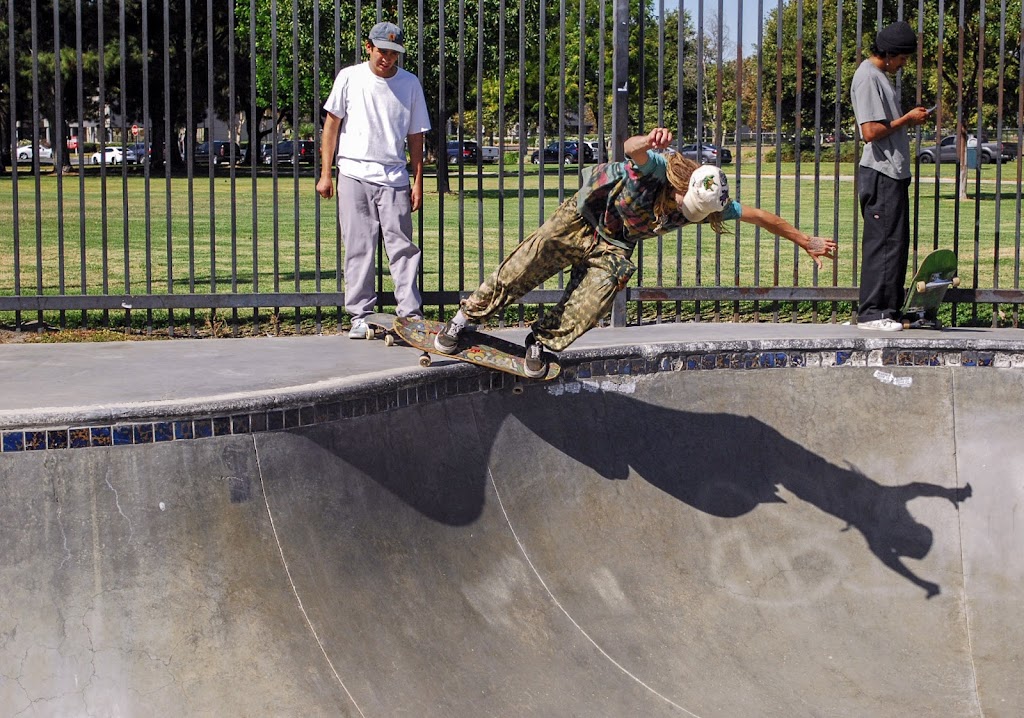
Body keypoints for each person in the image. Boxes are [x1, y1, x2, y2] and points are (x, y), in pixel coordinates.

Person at [433, 127, 837, 377]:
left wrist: (805, 241)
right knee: (526, 264)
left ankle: (541, 341)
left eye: (696, 214)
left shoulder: (716, 203)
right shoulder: (660, 168)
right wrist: (649, 139)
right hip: (581, 218)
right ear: (681, 187)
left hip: (613, 245)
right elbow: (631, 148)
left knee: (606, 286)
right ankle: (465, 317)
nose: (686, 214)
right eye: (685, 205)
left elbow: (760, 215)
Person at [317, 21, 431, 338]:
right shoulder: (350, 78)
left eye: (394, 53)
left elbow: (416, 137)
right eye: (382, 51)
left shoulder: (410, 84)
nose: (387, 58)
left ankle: (410, 314)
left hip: (394, 176)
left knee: (403, 249)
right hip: (353, 173)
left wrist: (418, 181)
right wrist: (326, 173)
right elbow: (331, 126)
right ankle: (360, 316)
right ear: (369, 47)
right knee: (359, 247)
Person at [850, 20, 929, 331]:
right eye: (903, 58)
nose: (904, 63)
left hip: (891, 173)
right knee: (881, 243)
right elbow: (869, 131)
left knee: (894, 243)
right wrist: (906, 120)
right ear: (891, 54)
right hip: (880, 172)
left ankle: (889, 310)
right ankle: (872, 314)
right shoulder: (868, 77)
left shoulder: (879, 76)